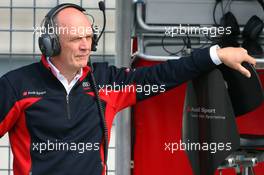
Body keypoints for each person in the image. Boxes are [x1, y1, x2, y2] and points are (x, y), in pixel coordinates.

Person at [0, 4, 256, 175]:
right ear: (50, 43)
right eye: (76, 39)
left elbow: (163, 75)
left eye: (89, 38)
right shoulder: (16, 86)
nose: (85, 46)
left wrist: (216, 55)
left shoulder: (106, 81)